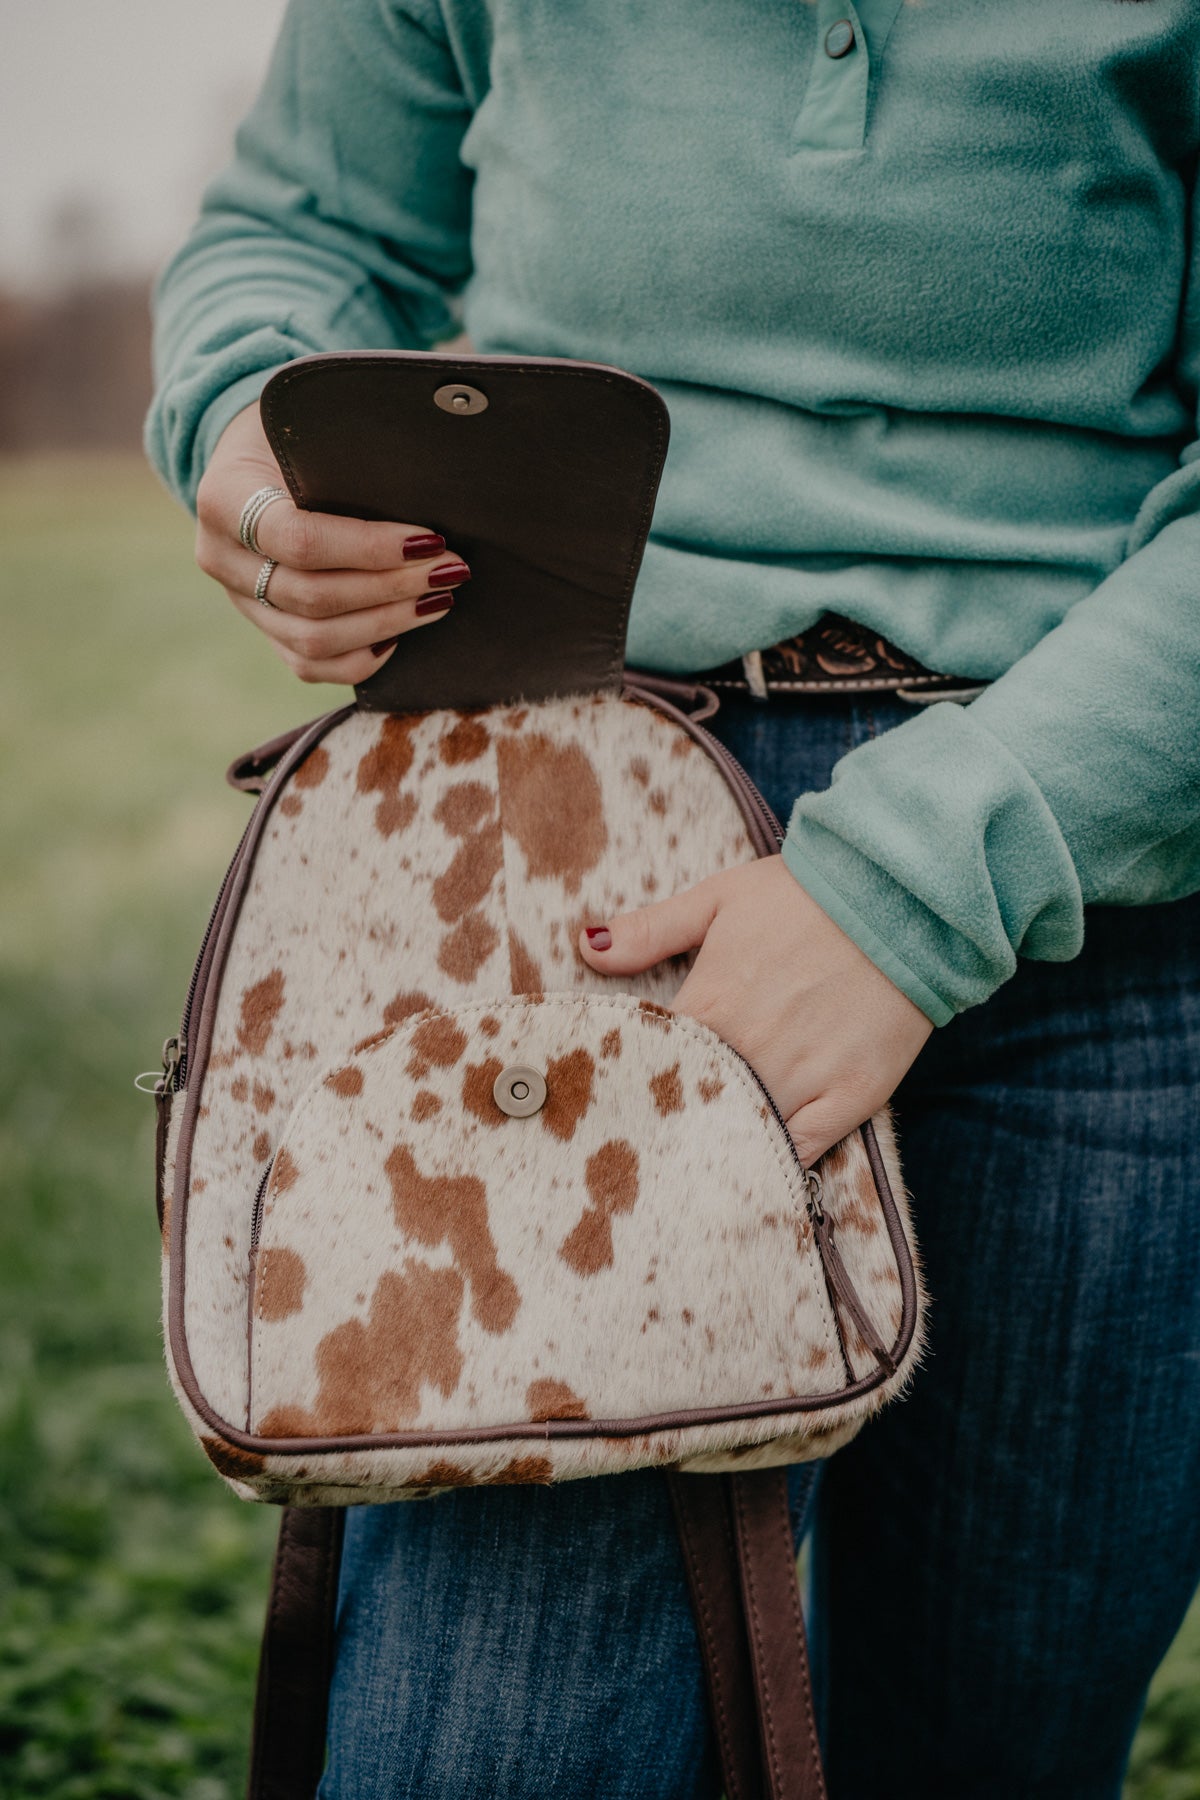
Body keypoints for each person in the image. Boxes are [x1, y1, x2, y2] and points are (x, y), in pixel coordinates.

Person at [146, 4, 1200, 1795]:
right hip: (564, 881)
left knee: (989, 1751)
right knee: (490, 1751)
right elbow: (303, 224)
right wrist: (249, 431)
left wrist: (899, 896)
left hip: (1088, 877)